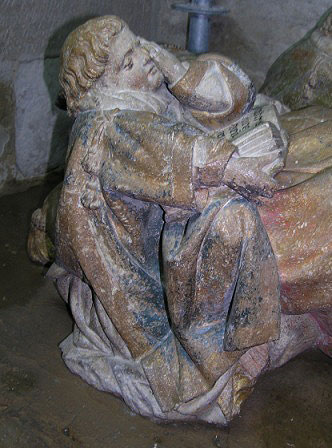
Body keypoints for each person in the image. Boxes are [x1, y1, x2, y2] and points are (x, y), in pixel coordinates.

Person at [28, 16, 329, 424]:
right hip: (174, 258)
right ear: (103, 85)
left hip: (199, 198)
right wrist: (233, 167)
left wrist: (176, 71)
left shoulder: (142, 90)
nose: (142, 58)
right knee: (286, 207)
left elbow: (237, 96)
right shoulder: (108, 128)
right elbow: (177, 154)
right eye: (128, 62)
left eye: (137, 46)